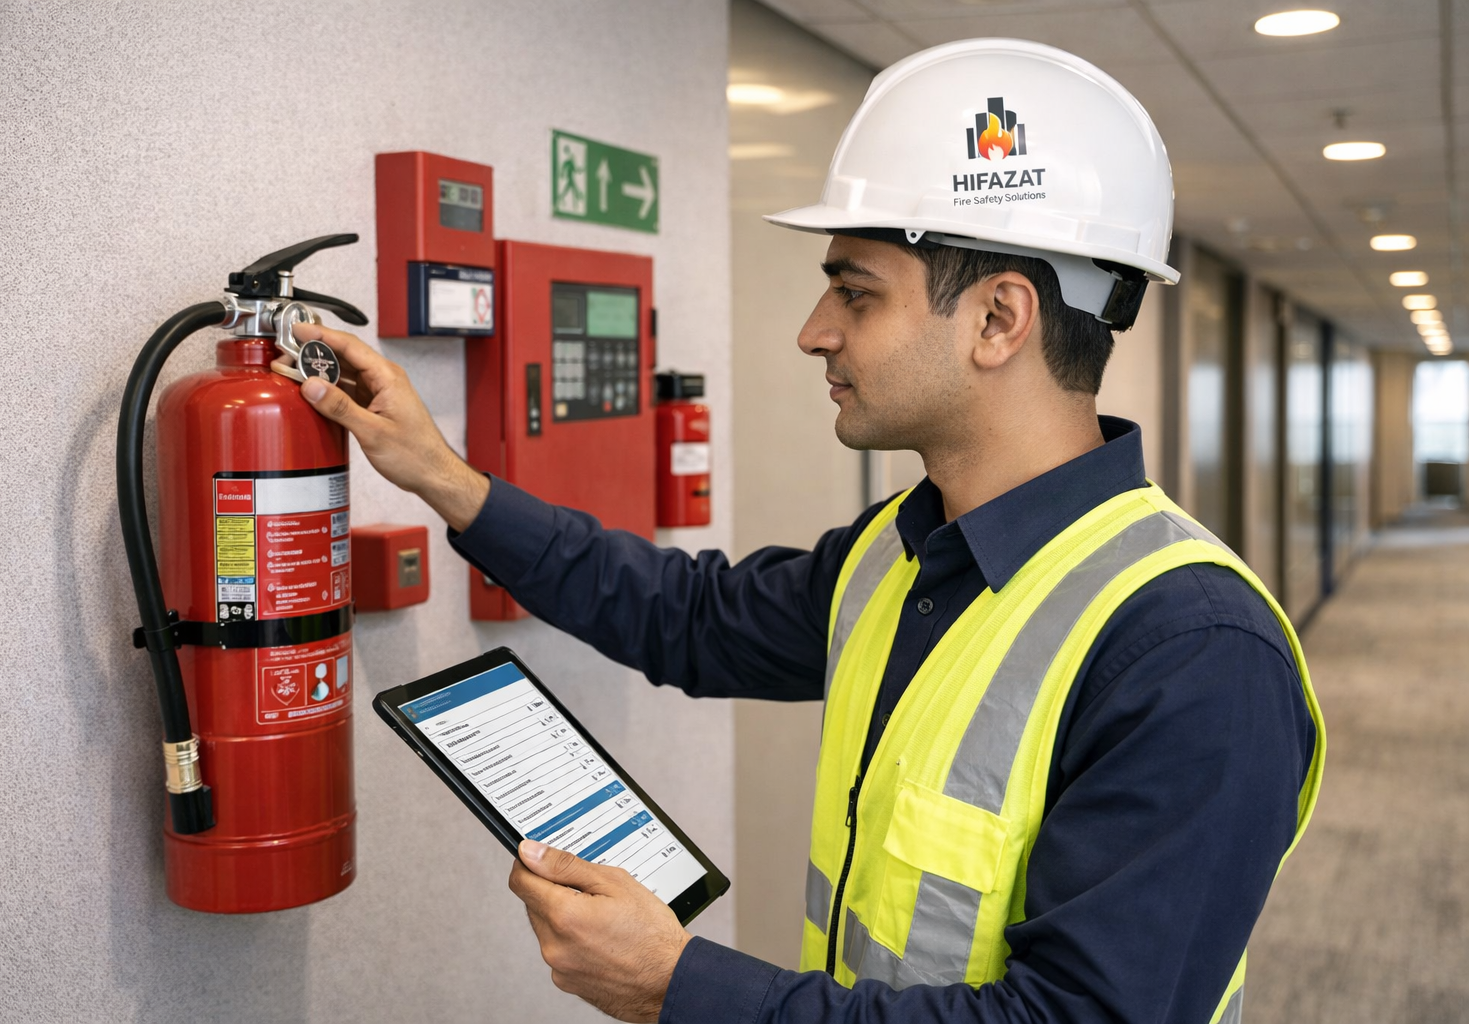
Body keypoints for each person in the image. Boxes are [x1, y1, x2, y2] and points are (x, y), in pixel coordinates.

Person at [291, 38, 1323, 1024]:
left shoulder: (1192, 655)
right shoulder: (905, 549)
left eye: (855, 292)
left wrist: (677, 988)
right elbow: (688, 616)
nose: (814, 330)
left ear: (999, 320)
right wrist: (446, 478)